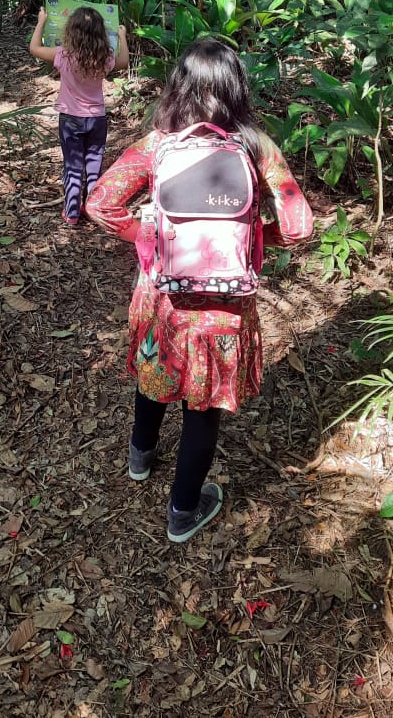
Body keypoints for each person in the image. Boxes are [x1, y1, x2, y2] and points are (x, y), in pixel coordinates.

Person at [85, 38, 314, 542]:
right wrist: (258, 235)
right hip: (225, 310)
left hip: (163, 296)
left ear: (178, 86)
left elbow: (100, 205)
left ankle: (141, 459)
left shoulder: (158, 145)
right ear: (236, 88)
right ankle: (182, 512)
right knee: (203, 409)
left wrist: (146, 232)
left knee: (154, 373)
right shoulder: (257, 148)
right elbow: (299, 225)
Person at [29, 5, 129, 226]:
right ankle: (93, 209)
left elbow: (34, 48)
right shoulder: (105, 57)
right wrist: (122, 37)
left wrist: (41, 21)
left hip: (70, 120)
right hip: (97, 119)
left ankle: (72, 212)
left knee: (73, 167)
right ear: (100, 33)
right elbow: (124, 62)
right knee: (94, 166)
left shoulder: (63, 55)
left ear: (72, 31)